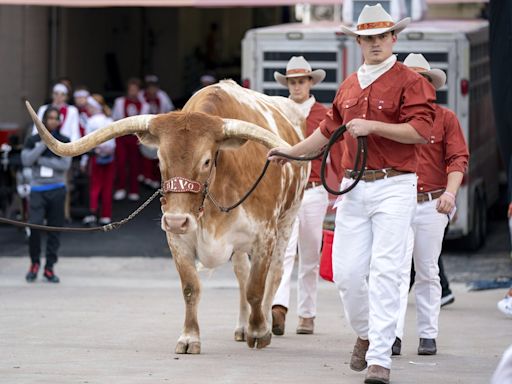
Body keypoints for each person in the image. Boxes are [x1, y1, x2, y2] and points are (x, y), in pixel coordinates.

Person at [268, 5, 435, 383]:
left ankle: (380, 358)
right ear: (358, 41)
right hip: (353, 187)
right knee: (345, 273)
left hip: (395, 184)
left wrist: (372, 126)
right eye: (368, 38)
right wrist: (289, 152)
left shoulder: (411, 80)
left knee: (386, 271)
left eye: (381, 36)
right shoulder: (348, 85)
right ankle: (368, 332)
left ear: (393, 38)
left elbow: (421, 131)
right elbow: (326, 134)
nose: (375, 43)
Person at [393, 53, 469, 357]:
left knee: (426, 270)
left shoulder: (446, 118)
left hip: (431, 202)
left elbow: (457, 159)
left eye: (420, 81)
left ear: (429, 85)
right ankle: (392, 335)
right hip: (398, 202)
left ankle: (428, 334)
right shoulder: (391, 119)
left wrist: (449, 195)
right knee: (396, 271)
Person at [270, 56, 333, 335]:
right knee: (282, 250)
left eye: (301, 81)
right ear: (287, 84)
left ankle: (307, 314)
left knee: (309, 254)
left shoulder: (324, 114)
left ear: (310, 82)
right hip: (284, 192)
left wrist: (338, 190)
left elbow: (339, 152)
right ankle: (278, 307)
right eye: (292, 82)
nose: (297, 86)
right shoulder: (278, 111)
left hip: (314, 188)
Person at [22, 107, 71, 283]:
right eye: (49, 118)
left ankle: (49, 267)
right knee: (34, 227)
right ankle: (34, 263)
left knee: (54, 230)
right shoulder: (33, 140)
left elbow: (64, 165)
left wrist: (40, 159)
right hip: (37, 190)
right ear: (43, 120)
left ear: (59, 121)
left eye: (55, 118)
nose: (52, 121)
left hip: (57, 188)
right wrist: (44, 143)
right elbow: (26, 160)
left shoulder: (64, 140)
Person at [112, 78, 149, 201]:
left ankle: (134, 190)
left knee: (135, 164)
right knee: (121, 163)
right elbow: (115, 118)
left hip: (135, 138)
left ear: (139, 91)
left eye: (135, 90)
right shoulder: (120, 102)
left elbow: (144, 123)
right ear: (128, 90)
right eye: (131, 89)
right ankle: (120, 188)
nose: (133, 92)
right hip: (122, 137)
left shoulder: (144, 105)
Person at [81, 95, 116, 226]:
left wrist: (84, 161)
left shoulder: (91, 121)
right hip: (110, 158)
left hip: (95, 157)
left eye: (89, 106)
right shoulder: (109, 119)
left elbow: (86, 143)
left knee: (95, 186)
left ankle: (92, 213)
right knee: (107, 187)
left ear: (93, 107)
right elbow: (113, 144)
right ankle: (106, 215)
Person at [139, 75, 174, 189]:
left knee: (159, 155)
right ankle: (146, 176)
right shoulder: (140, 96)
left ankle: (156, 178)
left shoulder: (162, 95)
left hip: (161, 129)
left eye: (154, 87)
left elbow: (169, 109)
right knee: (145, 154)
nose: (152, 90)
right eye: (149, 87)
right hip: (145, 129)